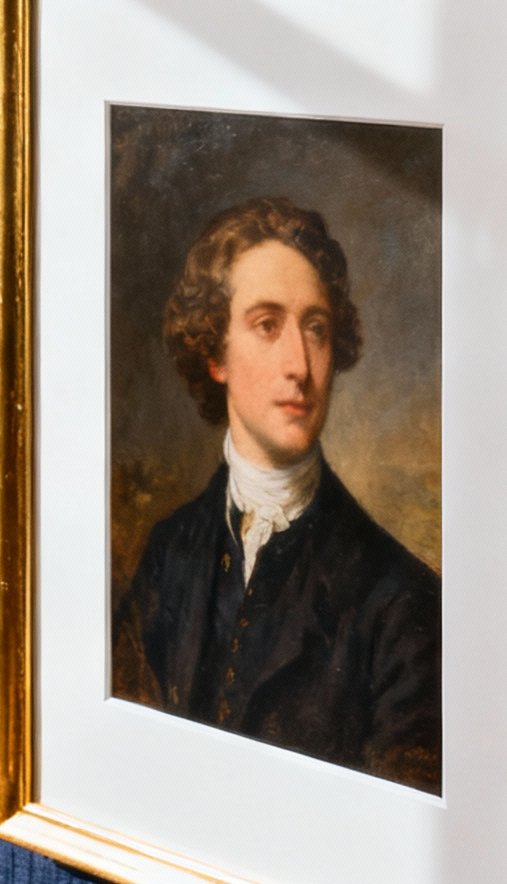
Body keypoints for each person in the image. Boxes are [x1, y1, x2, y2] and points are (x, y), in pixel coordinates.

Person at [113, 195, 441, 793]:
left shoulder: (402, 602)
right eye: (267, 325)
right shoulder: (167, 553)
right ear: (214, 351)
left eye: (316, 329)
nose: (300, 366)